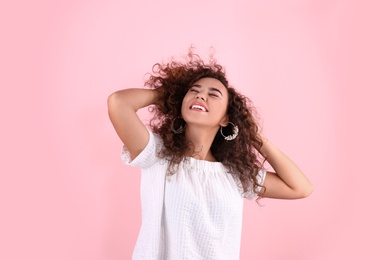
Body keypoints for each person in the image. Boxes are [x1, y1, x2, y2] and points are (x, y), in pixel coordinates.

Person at [107, 49, 313, 260]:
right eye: (193, 91)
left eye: (213, 94)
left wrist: (255, 136)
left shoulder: (235, 175)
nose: (200, 95)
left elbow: (300, 188)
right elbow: (119, 103)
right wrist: (172, 95)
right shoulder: (157, 155)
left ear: (226, 119)